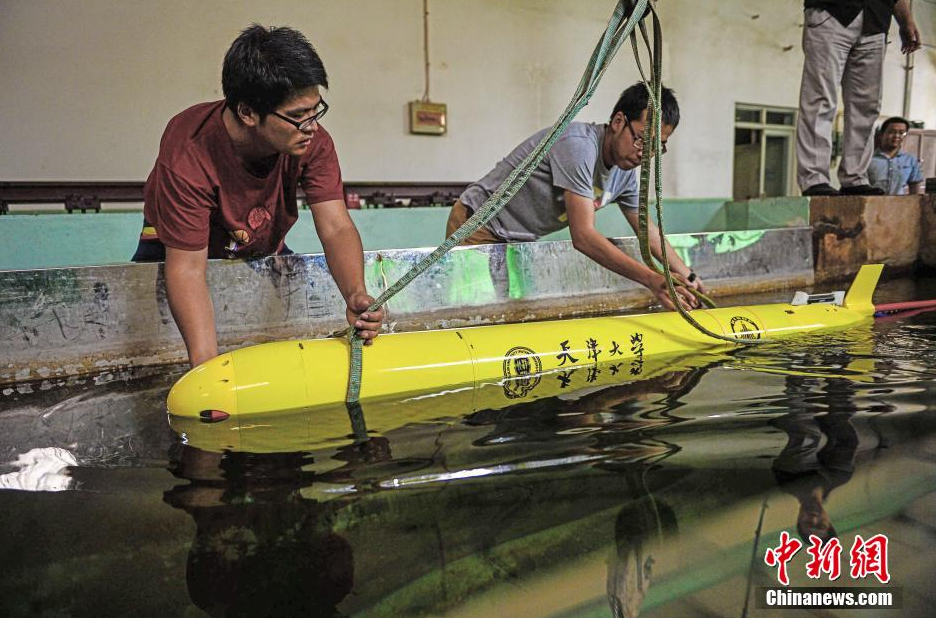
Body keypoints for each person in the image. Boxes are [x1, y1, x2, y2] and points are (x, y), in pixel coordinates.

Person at [132, 25, 383, 367]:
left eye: (316, 109)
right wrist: (208, 373)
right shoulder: (189, 153)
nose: (311, 125)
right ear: (247, 112)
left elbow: (337, 226)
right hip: (175, 250)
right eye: (297, 116)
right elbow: (188, 269)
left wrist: (355, 293)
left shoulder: (311, 140)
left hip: (258, 243)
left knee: (280, 345)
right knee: (157, 352)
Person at [446, 83, 701, 312]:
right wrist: (650, 279)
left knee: (513, 312)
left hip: (520, 239)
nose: (644, 155)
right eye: (642, 141)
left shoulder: (625, 175)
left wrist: (688, 277)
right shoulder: (578, 146)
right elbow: (584, 237)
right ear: (618, 122)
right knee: (473, 315)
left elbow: (648, 232)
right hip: (479, 224)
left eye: (657, 147)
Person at [795, 0, 921, 197]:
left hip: (876, 20)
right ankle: (813, 178)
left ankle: (855, 177)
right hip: (831, 12)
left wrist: (906, 20)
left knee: (866, 107)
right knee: (820, 100)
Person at [868, 116, 924, 195]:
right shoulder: (868, 159)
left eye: (901, 133)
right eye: (891, 132)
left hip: (898, 205)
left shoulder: (910, 160)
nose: (896, 136)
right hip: (872, 204)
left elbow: (914, 190)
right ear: (881, 135)